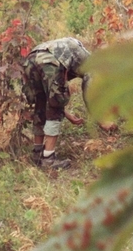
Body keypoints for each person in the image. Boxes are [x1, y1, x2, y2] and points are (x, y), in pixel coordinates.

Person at [22, 37, 91, 169]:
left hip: (30, 60)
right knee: (56, 106)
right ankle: (48, 158)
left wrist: (68, 115)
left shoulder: (70, 52)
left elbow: (50, 98)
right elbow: (89, 89)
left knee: (40, 103)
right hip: (49, 60)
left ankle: (37, 153)